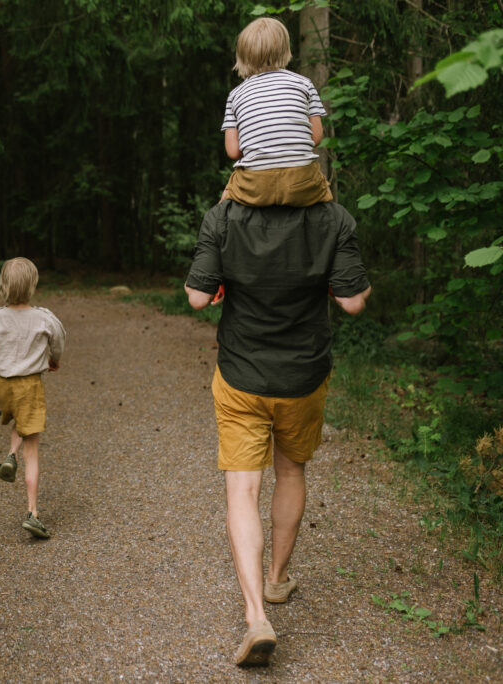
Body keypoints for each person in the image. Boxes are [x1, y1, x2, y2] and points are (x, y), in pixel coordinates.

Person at [184, 200, 371, 667]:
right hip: (302, 376)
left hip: (241, 375)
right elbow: (352, 301)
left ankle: (255, 617)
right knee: (290, 471)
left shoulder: (223, 216)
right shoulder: (334, 218)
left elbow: (196, 297)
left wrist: (226, 278)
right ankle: (276, 578)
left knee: (242, 492)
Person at [0, 257, 65, 539]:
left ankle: (9, 455)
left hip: (3, 385)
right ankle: (32, 512)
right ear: (33, 284)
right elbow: (58, 341)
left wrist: (5, 358)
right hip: (29, 384)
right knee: (33, 448)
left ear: (3, 285)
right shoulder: (44, 317)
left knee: (19, 417)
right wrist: (52, 359)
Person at [220, 17, 333, 207]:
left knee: (224, 204)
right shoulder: (304, 84)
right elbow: (316, 137)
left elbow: (233, 151)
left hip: (256, 186)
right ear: (285, 49)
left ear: (243, 55)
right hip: (302, 182)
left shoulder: (235, 95)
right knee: (326, 195)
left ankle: (217, 233)